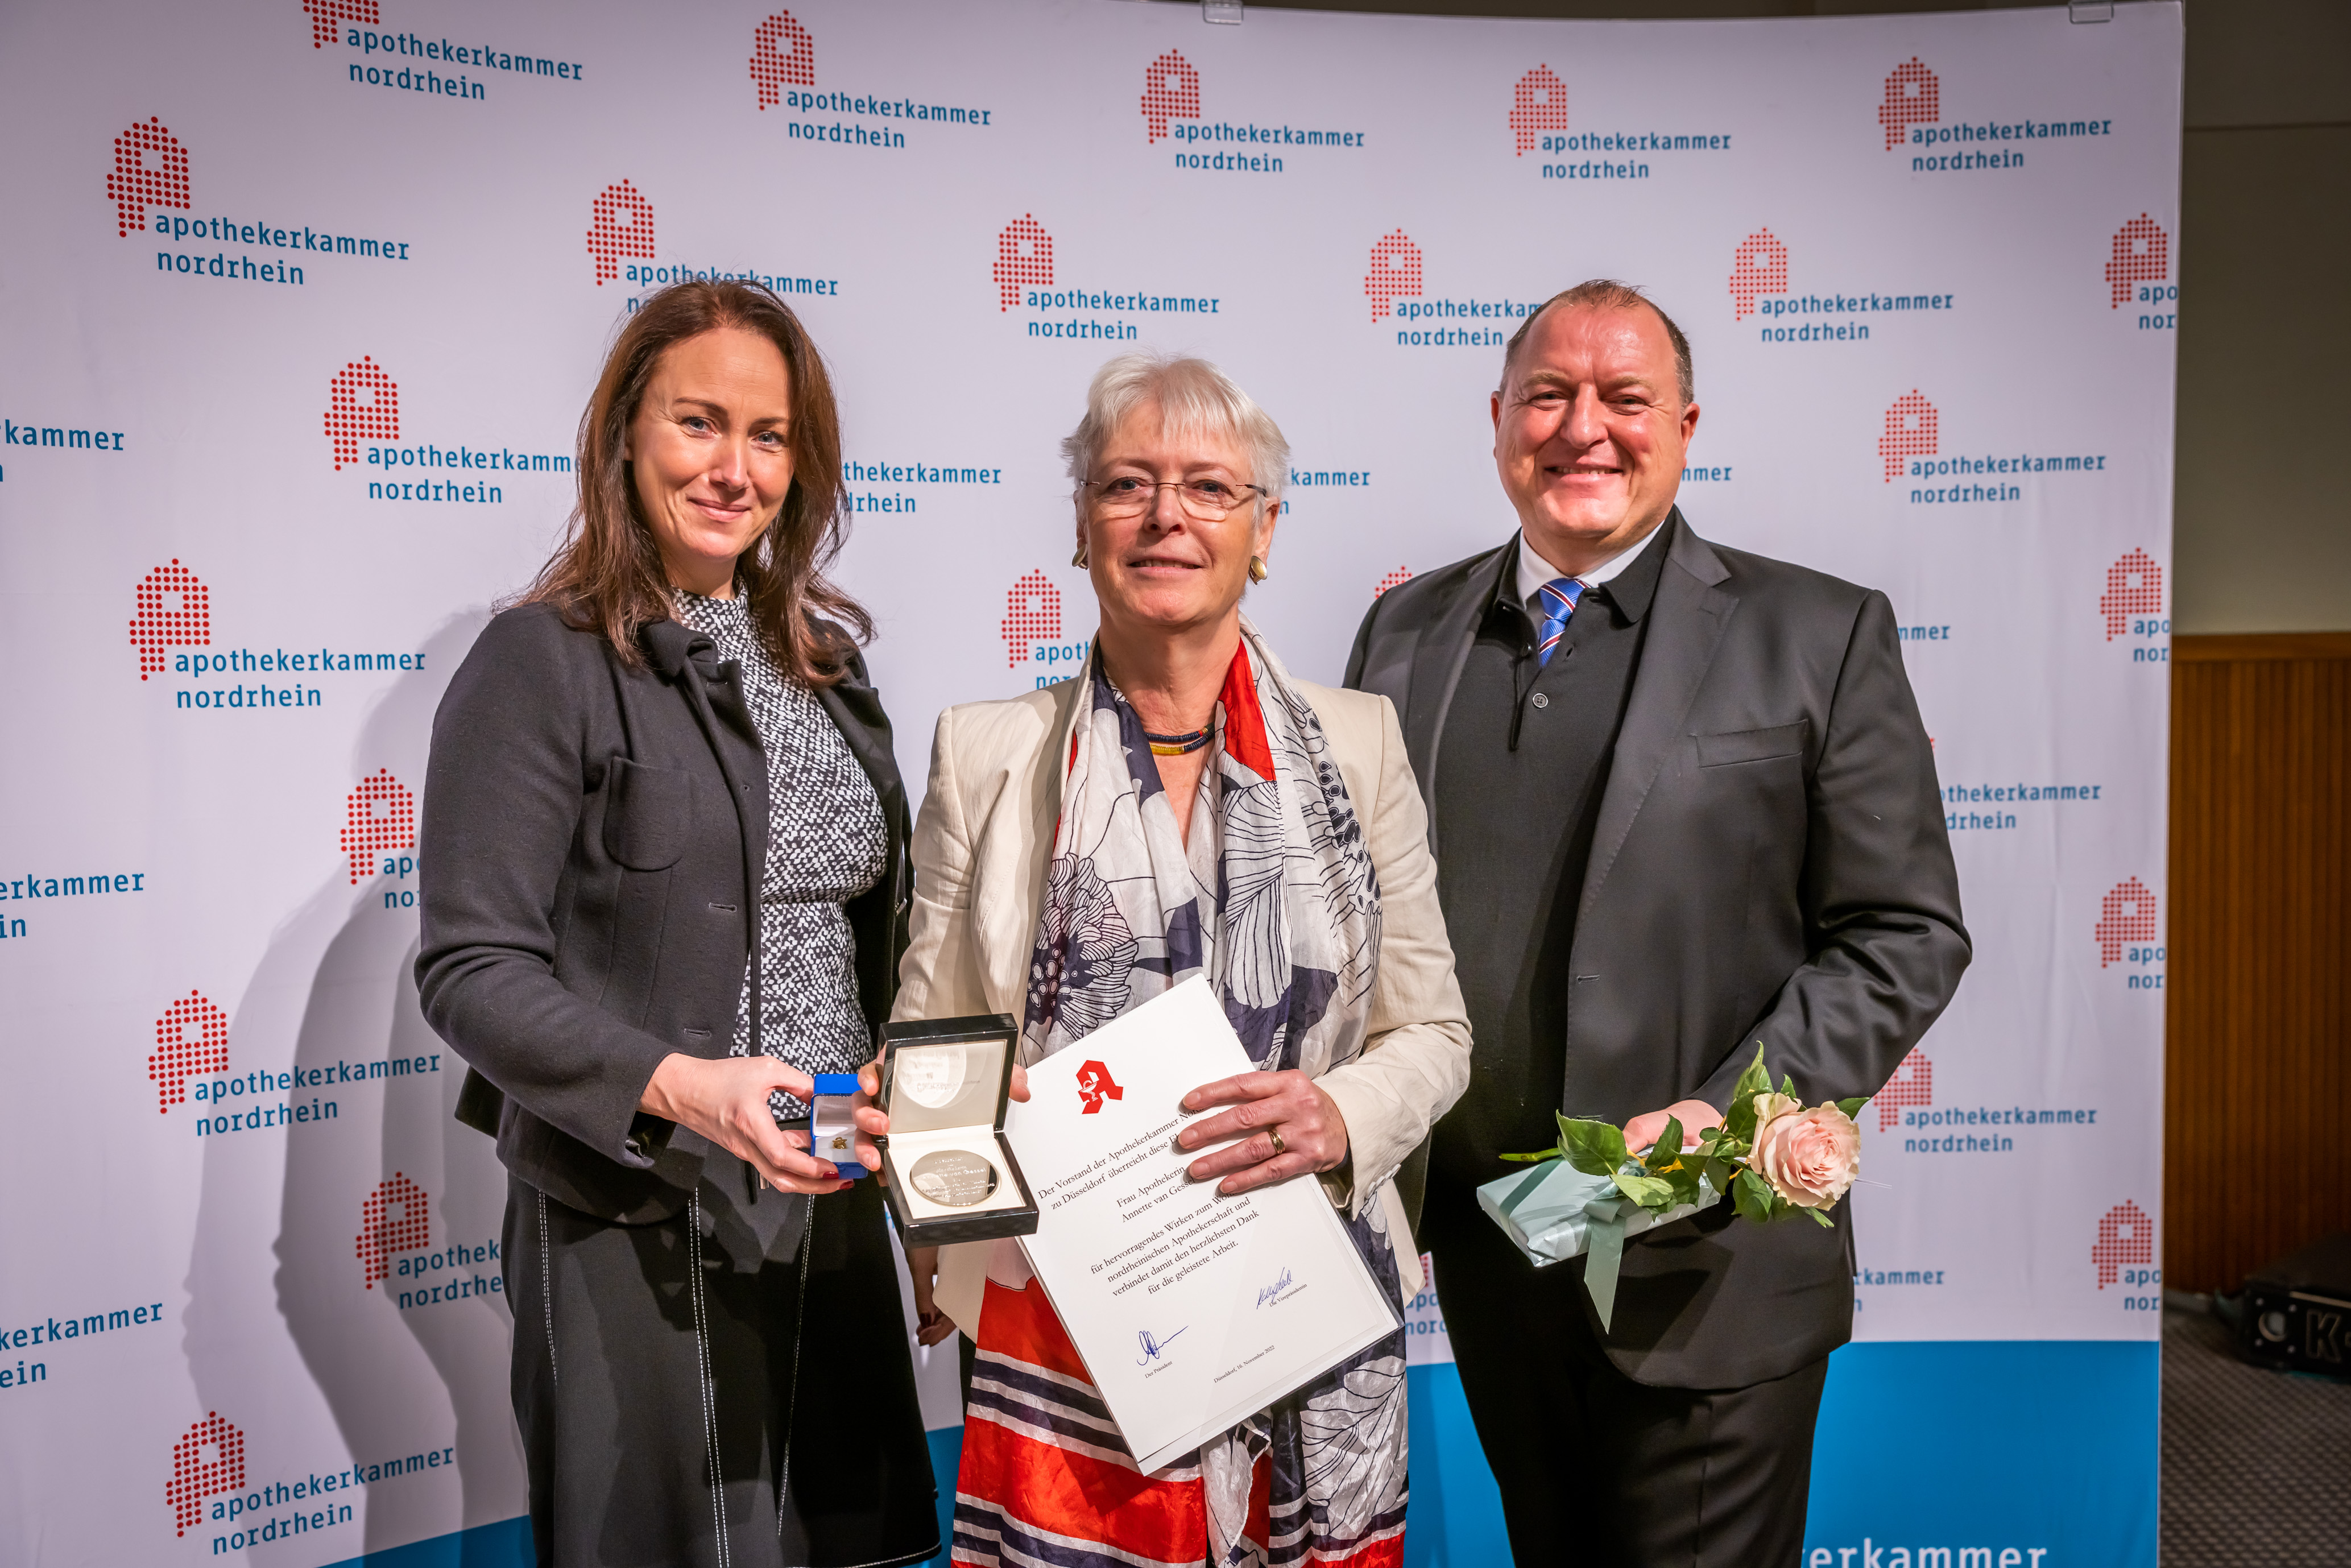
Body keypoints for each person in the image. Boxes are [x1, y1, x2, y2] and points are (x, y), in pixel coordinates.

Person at [1344, 280, 1969, 1566]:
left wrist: (1734, 1112)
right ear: (1499, 418)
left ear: (1685, 424)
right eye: (1550, 395)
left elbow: (1904, 928)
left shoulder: (1818, 631)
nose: (1586, 428)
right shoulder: (1406, 633)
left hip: (1709, 1260)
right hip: (1491, 1251)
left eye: (1626, 399)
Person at [896, 351, 1472, 1567]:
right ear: (1081, 524)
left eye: (1210, 488)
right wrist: (943, 1249)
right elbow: (931, 1042)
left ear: (1263, 531)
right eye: (1127, 485)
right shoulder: (990, 750)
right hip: (1064, 1334)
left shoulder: (1360, 744)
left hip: (1316, 1317)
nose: (1166, 516)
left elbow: (1435, 1028)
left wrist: (1338, 1110)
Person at [415, 280, 938, 1568]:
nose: (735, 466)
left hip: (830, 1188)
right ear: (626, 437)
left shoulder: (825, 659)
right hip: (633, 1210)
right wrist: (688, 1087)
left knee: (844, 1545)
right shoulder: (542, 659)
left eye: (770, 435)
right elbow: (470, 970)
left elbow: (874, 930)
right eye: (700, 423)